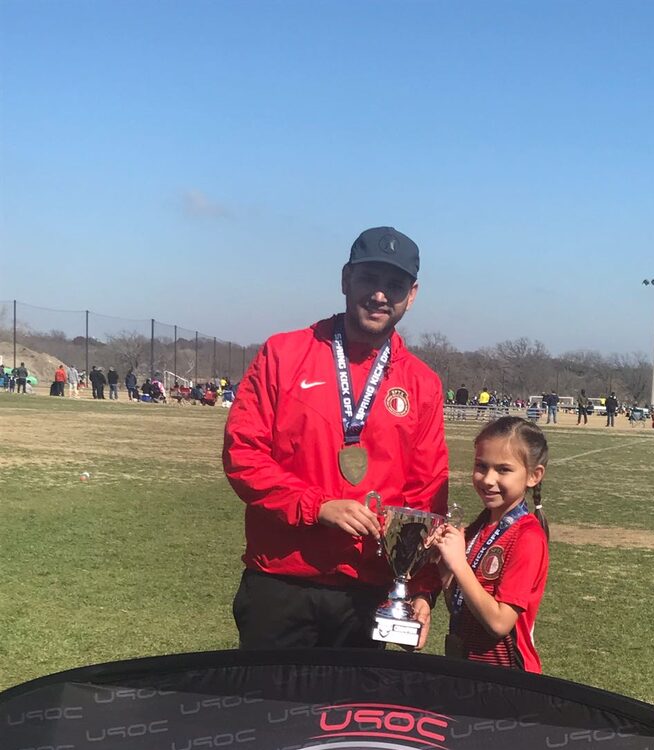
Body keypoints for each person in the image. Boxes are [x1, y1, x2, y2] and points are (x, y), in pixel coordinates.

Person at [223, 225, 448, 651]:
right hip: (280, 581)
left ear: (412, 294)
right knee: (271, 714)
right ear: (346, 279)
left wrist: (419, 586)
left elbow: (426, 492)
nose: (380, 295)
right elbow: (243, 456)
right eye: (369, 279)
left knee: (349, 719)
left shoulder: (423, 384)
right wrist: (317, 506)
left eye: (395, 285)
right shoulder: (283, 354)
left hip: (369, 592)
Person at [433, 416, 549, 673]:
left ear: (533, 476)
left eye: (503, 469)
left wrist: (459, 565)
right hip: (469, 669)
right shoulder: (478, 527)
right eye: (481, 466)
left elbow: (498, 623)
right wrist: (445, 569)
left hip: (507, 678)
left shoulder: (527, 536)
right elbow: (461, 606)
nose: (487, 479)